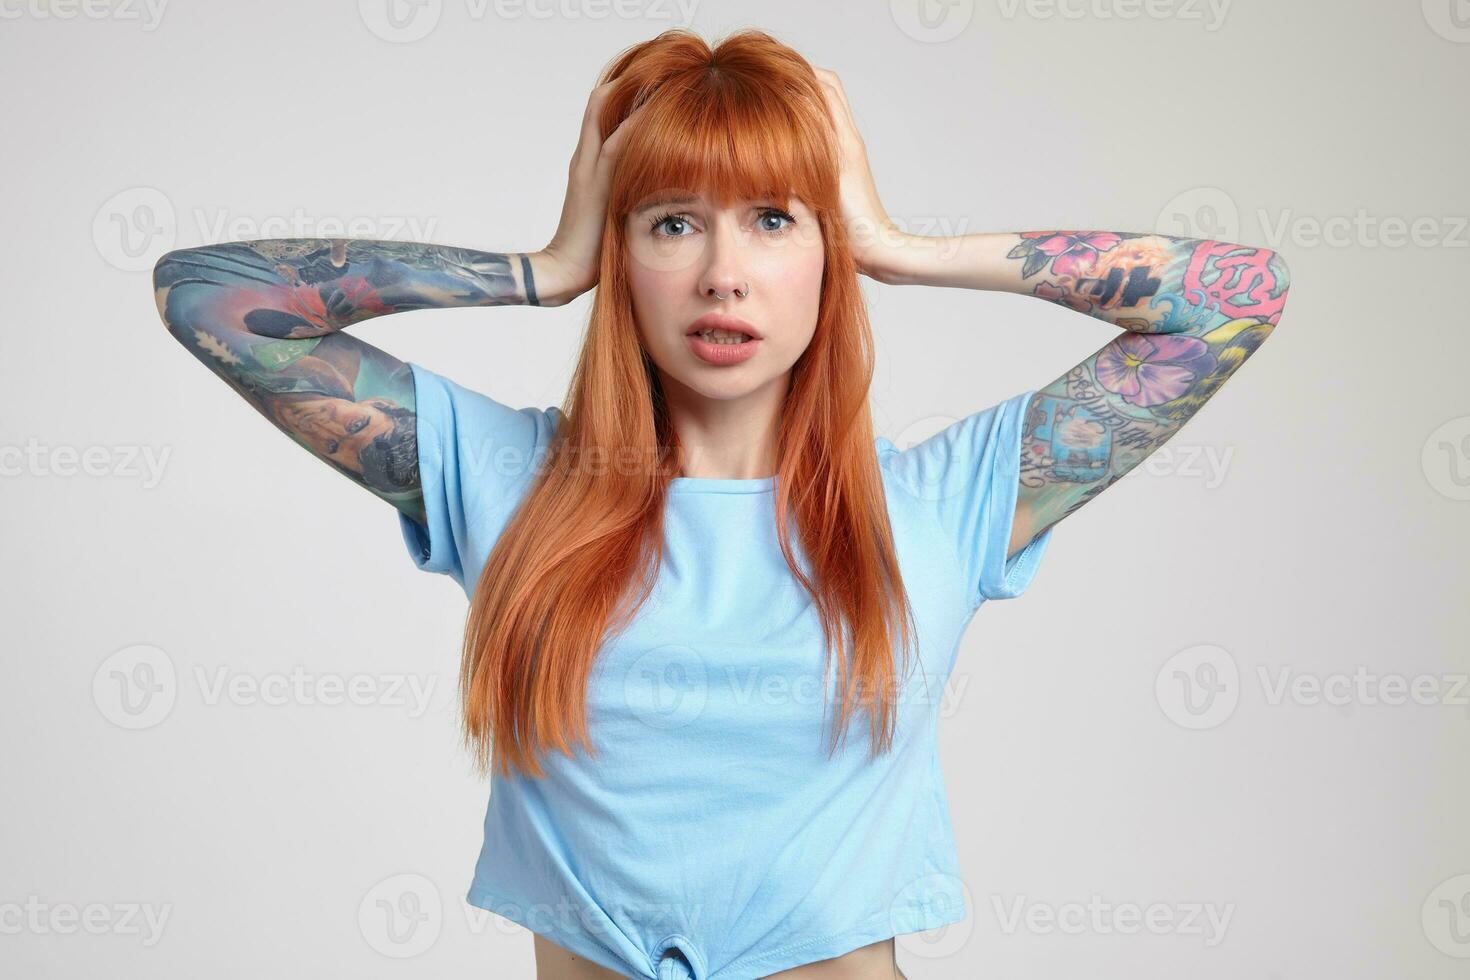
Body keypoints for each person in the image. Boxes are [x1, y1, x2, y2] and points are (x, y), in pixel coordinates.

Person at [150, 27, 1291, 980]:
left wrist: (898, 247)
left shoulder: (943, 501)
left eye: (776, 219)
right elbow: (209, 295)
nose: (722, 274)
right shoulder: (503, 478)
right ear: (625, 250)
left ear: (822, 252)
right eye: (673, 221)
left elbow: (1235, 298)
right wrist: (542, 268)